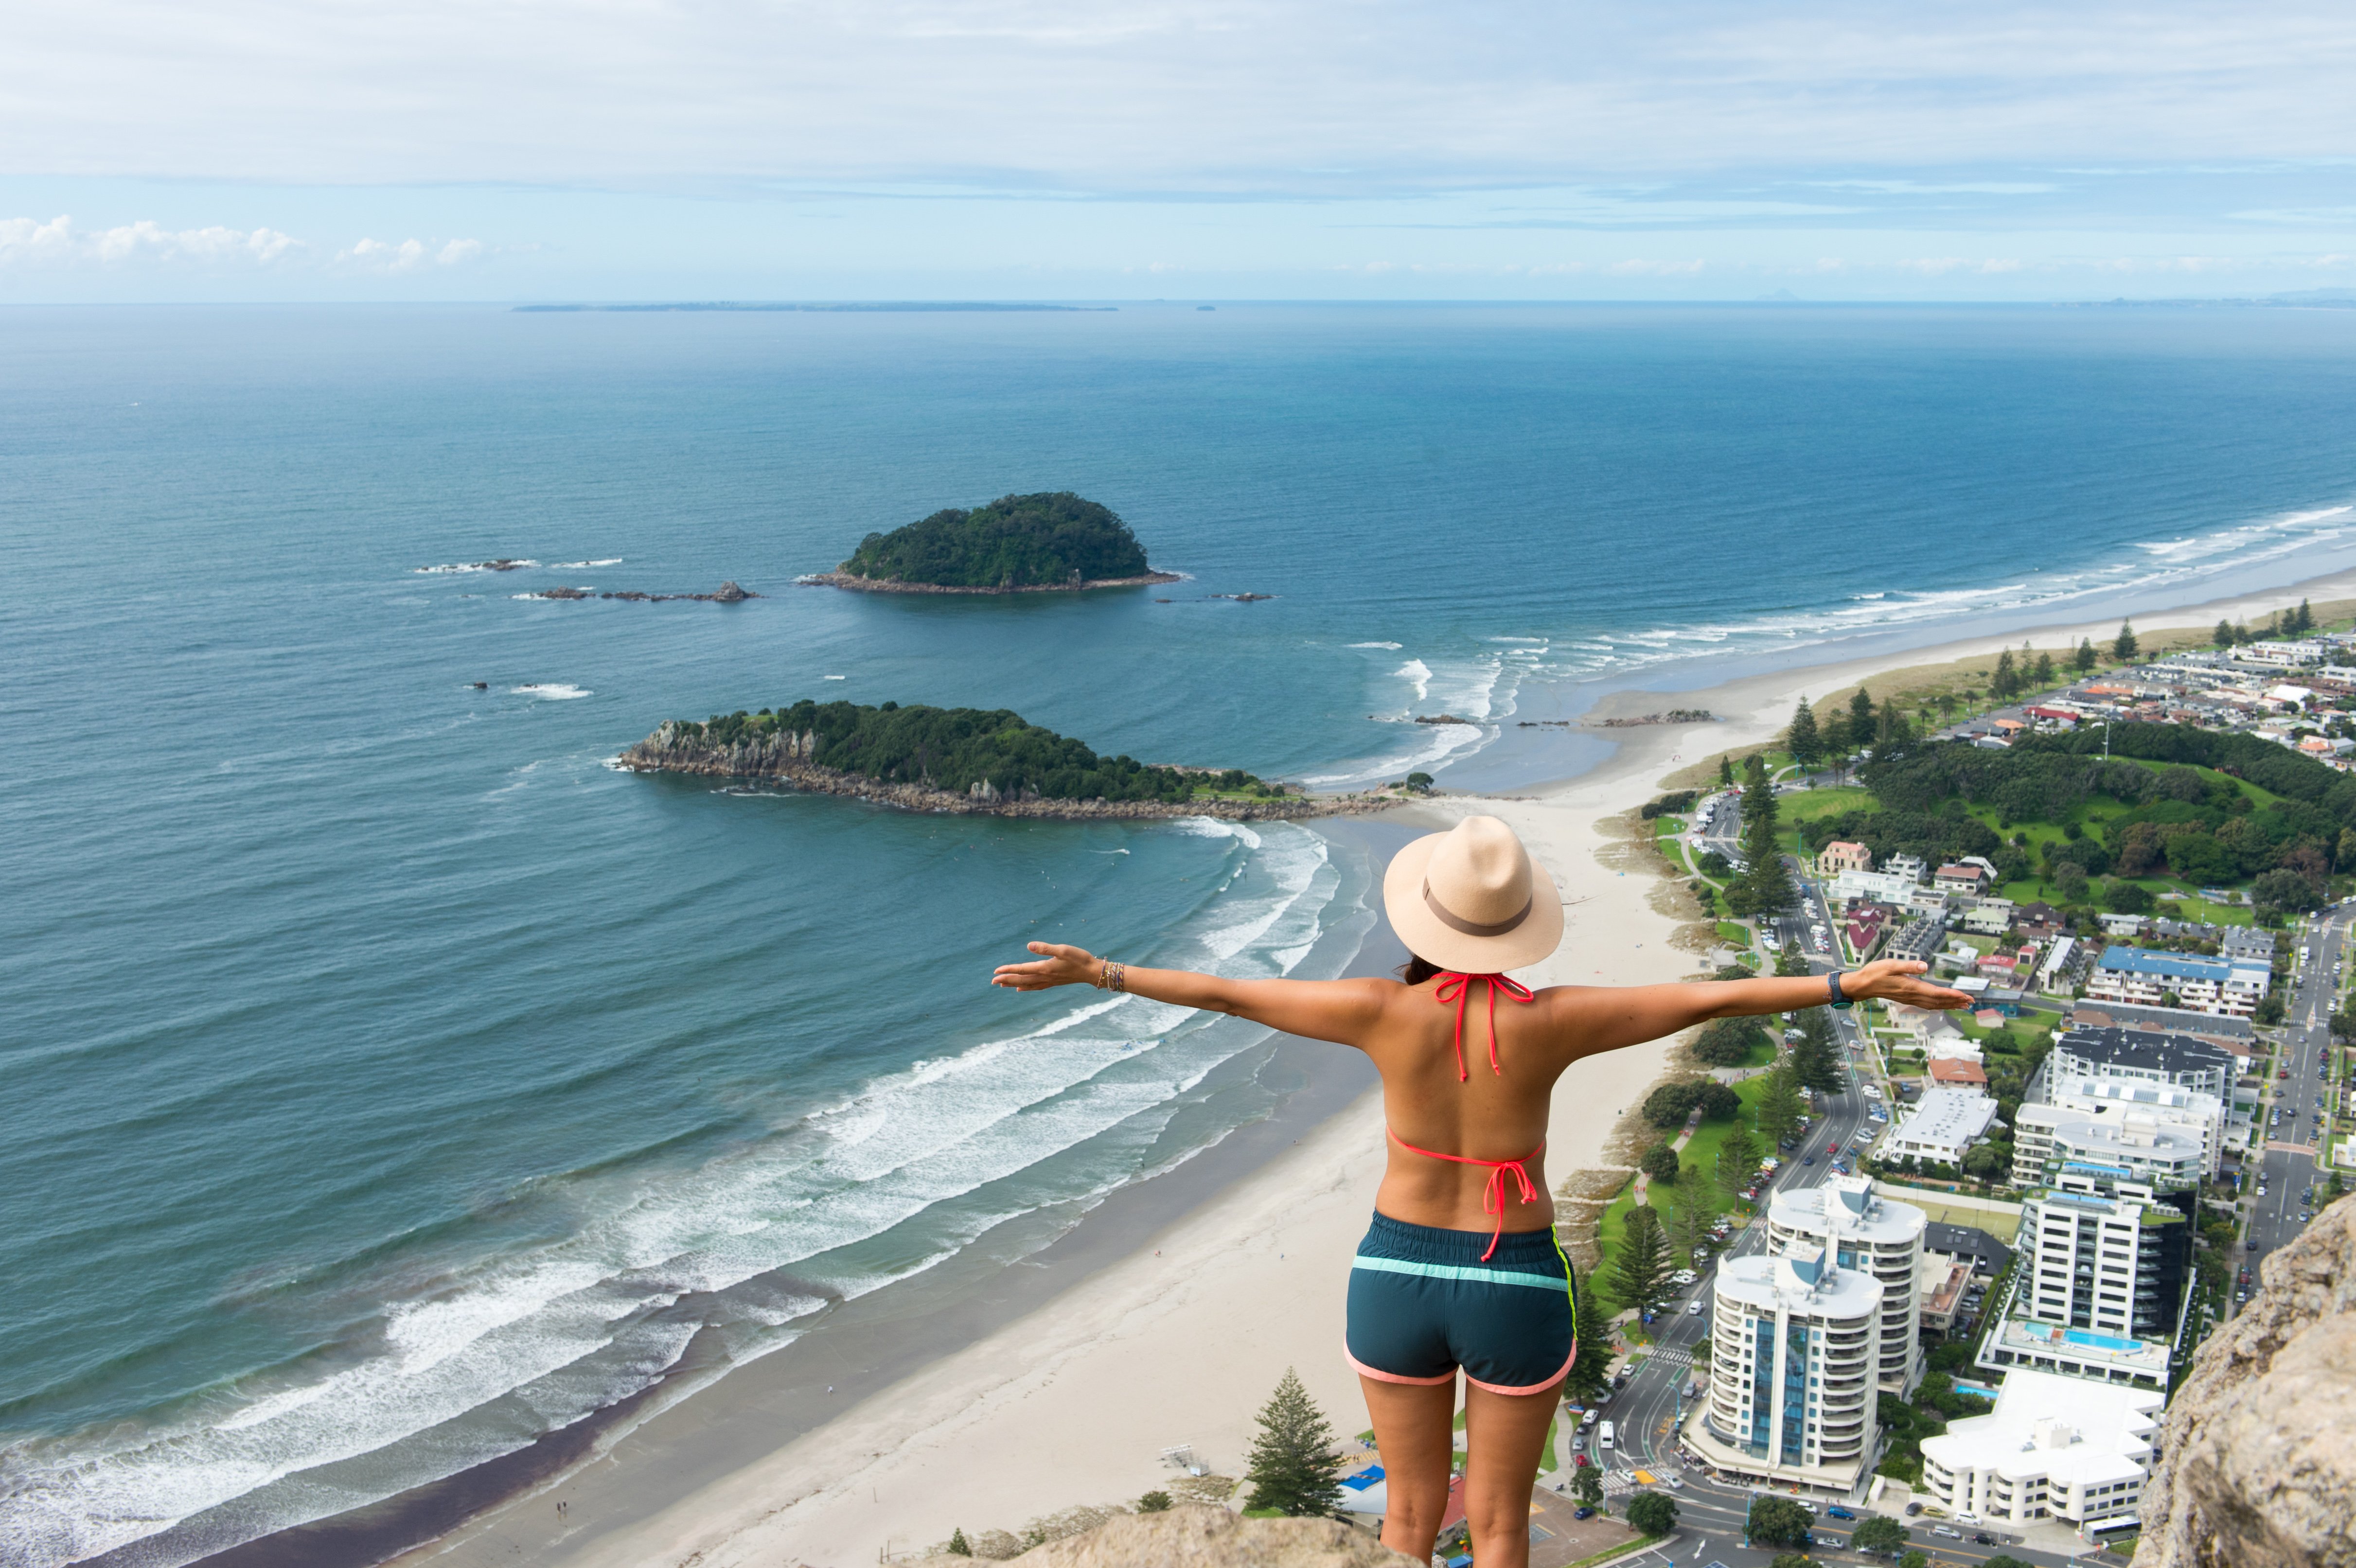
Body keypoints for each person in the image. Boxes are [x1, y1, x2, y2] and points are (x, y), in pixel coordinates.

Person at [993, 814, 1966, 1566]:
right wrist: (1850, 984)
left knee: (1408, 1519)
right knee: (1499, 1526)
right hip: (1516, 1280)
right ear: (1516, 927)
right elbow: (1709, 996)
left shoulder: (1377, 1008)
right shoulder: (1554, 1020)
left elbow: (1229, 991)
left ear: (1420, 912)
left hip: (1393, 1271)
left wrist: (1103, 971)